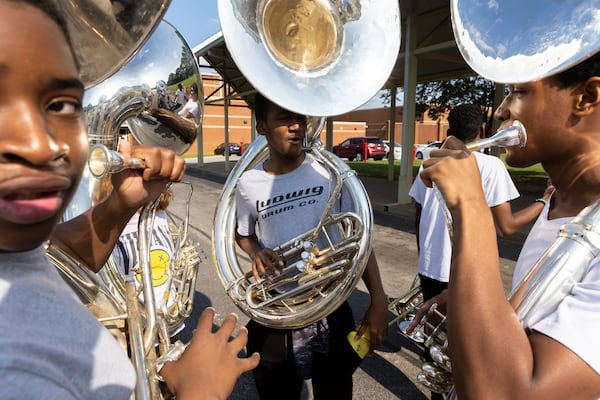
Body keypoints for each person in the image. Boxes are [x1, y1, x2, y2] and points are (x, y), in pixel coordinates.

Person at [0, 1, 259, 399]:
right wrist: (199, 390)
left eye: (61, 104)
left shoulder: (16, 251)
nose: (40, 144)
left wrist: (119, 206)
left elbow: (56, 259)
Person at [409, 52, 600, 398]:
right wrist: (480, 303)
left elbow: (509, 393)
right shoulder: (559, 202)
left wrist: (471, 205)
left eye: (519, 91)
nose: (501, 110)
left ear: (587, 98)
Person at [234, 92, 389, 399]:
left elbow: (358, 239)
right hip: (278, 309)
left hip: (331, 306)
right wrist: (255, 252)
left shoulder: (330, 172)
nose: (296, 126)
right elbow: (242, 233)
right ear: (262, 127)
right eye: (284, 119)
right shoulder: (247, 184)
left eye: (299, 118)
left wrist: (378, 299)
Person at [408, 103, 553, 301]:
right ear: (483, 130)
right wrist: (544, 200)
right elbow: (506, 227)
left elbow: (420, 214)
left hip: (429, 266)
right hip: (467, 272)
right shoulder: (493, 166)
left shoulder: (430, 164)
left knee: (430, 325)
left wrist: (425, 257)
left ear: (449, 132)